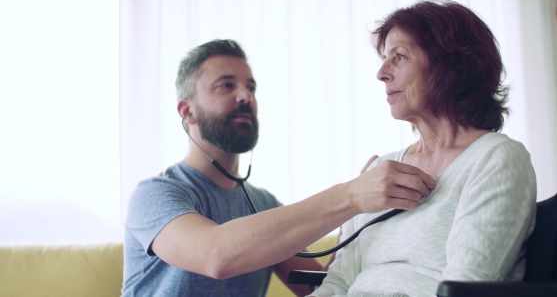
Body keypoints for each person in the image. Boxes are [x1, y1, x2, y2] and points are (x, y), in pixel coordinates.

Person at [121, 39, 437, 297]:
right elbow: (215, 255)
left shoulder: (262, 205)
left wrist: (359, 220)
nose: (245, 96)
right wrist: (352, 196)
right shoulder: (155, 195)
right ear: (187, 111)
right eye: (225, 86)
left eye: (251, 87)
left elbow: (322, 285)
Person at [310, 0, 537, 297]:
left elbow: (465, 285)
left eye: (400, 56)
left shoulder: (496, 159)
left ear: (452, 66)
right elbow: (338, 284)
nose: (382, 73)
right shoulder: (381, 171)